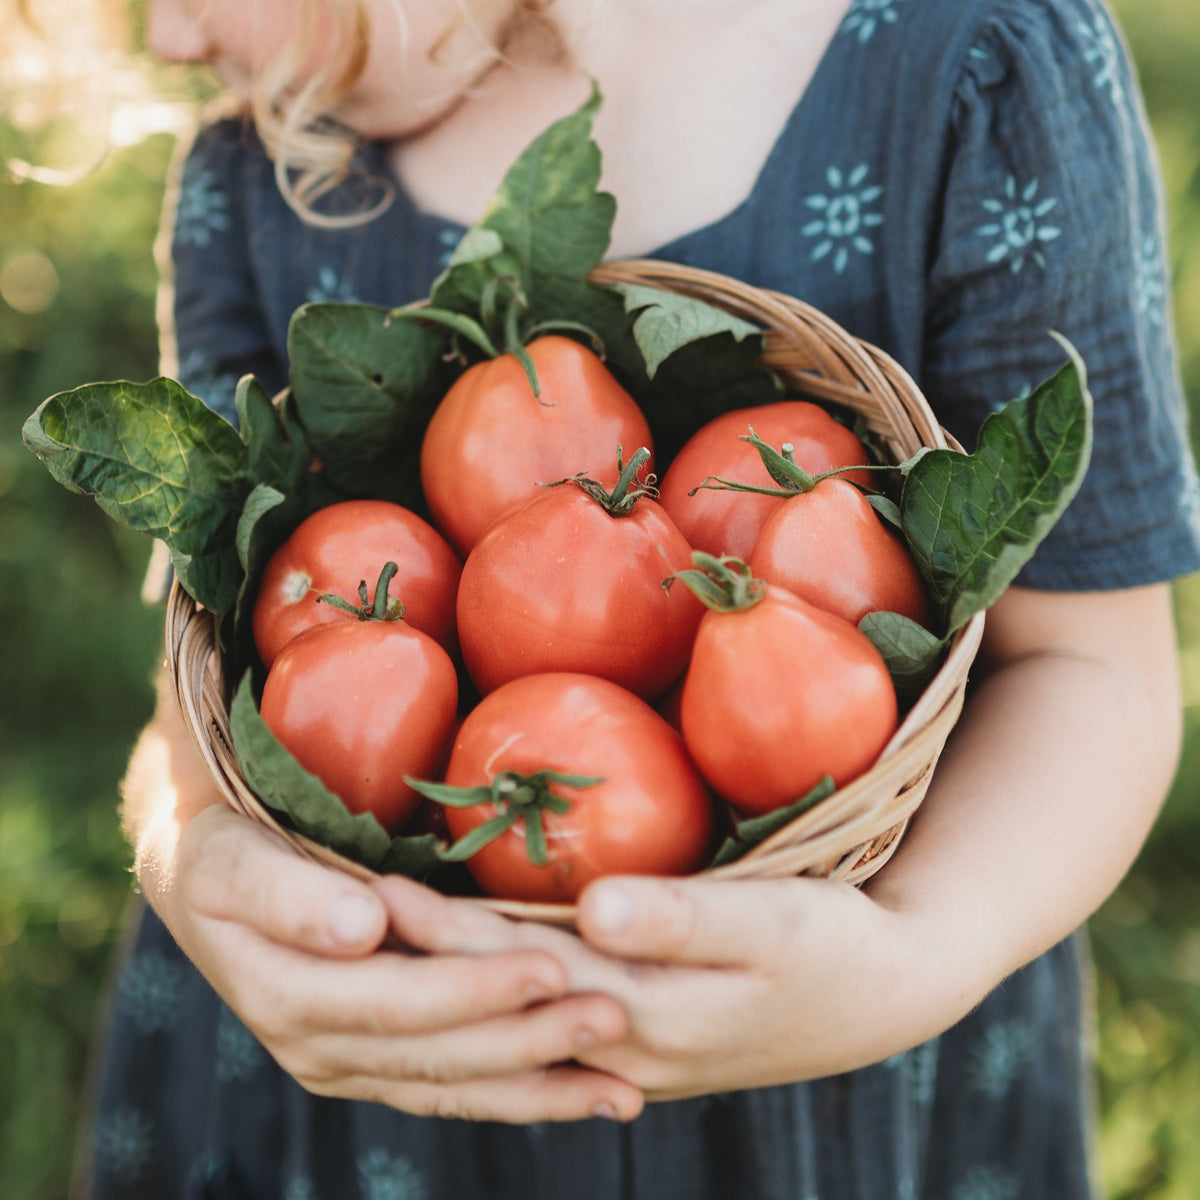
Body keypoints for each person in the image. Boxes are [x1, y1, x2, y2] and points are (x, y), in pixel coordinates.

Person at [75, 0, 1200, 1196]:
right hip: (376, 1075)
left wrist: (910, 955)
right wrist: (188, 864)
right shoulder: (255, 159)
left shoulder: (974, 74)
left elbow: (1092, 669)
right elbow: (201, 683)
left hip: (839, 1048)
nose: (173, 43)